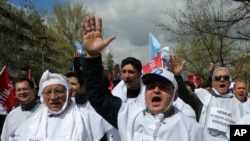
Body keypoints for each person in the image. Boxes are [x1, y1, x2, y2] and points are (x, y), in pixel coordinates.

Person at [79, 15, 213, 141]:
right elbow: (98, 96)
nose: (156, 90)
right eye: (150, 86)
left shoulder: (193, 130)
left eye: (163, 86)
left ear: (175, 96)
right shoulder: (129, 116)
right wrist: (93, 56)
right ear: (145, 93)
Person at [14, 70, 111, 141]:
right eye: (47, 93)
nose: (53, 97)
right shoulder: (32, 122)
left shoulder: (89, 119)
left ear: (69, 93)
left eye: (59, 91)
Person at [170, 56, 249, 140]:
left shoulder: (239, 105)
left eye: (225, 78)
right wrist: (178, 76)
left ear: (229, 82)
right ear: (213, 83)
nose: (222, 80)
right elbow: (185, 95)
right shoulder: (203, 97)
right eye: (217, 78)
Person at [66, 69, 121, 141]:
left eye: (73, 84)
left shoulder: (96, 106)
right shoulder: (66, 105)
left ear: (83, 86)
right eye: (68, 84)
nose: (70, 87)